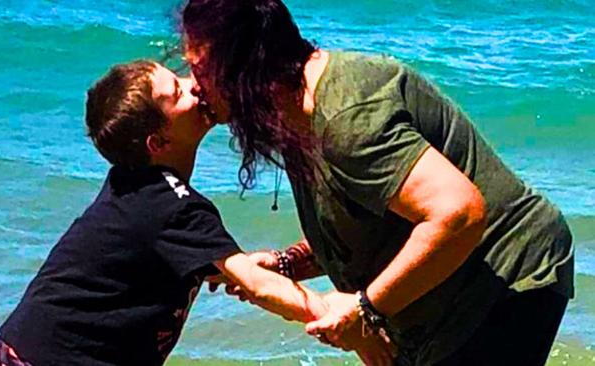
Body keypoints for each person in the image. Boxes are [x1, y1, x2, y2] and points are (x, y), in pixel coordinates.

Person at [180, 1, 575, 365]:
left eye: (200, 70)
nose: (193, 85)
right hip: (448, 295)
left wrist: (365, 311)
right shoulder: (297, 110)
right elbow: (373, 224)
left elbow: (459, 214)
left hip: (506, 278)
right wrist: (288, 264)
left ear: (244, 67)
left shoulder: (347, 120)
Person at [0, 60, 390, 366]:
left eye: (180, 77)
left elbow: (154, 257)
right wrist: (354, 325)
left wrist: (264, 264)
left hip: (28, 348)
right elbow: (258, 287)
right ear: (158, 142)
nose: (194, 87)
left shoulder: (134, 184)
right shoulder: (173, 205)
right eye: (177, 93)